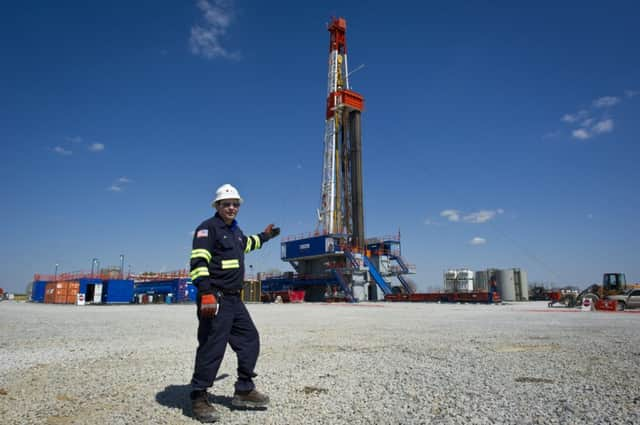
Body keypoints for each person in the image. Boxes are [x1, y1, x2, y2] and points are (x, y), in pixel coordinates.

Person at [189, 183, 280, 423]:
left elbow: (247, 244)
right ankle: (198, 396)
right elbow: (198, 262)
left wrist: (266, 236)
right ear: (217, 206)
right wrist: (206, 292)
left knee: (250, 339)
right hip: (215, 297)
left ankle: (244, 389)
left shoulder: (236, 231)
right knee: (212, 346)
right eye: (227, 204)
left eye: (235, 204)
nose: (231, 207)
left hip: (234, 299)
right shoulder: (208, 229)